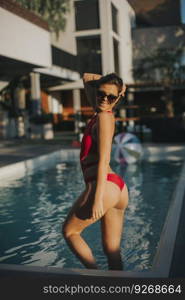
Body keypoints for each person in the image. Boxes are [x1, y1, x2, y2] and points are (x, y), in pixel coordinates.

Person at [62, 72, 129, 270]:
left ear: (116, 100)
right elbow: (87, 77)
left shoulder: (104, 118)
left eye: (111, 97)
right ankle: (118, 289)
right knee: (112, 250)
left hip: (105, 185)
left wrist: (98, 198)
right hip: (118, 188)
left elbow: (104, 159)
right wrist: (119, 88)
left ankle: (96, 278)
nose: (104, 99)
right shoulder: (101, 112)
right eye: (101, 94)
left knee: (70, 232)